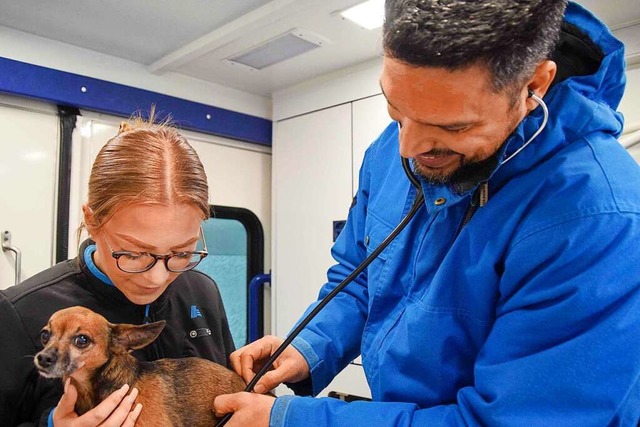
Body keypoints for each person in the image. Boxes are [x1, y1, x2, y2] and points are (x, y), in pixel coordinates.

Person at [214, 0, 640, 425]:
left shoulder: (598, 217)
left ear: (535, 86)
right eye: (395, 111)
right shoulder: (391, 150)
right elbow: (362, 277)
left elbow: (506, 421)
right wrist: (309, 346)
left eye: (452, 128)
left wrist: (293, 420)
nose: (409, 148)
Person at [0, 116, 236, 426]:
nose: (157, 278)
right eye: (134, 253)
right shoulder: (18, 313)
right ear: (92, 221)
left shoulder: (202, 291)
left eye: (181, 252)